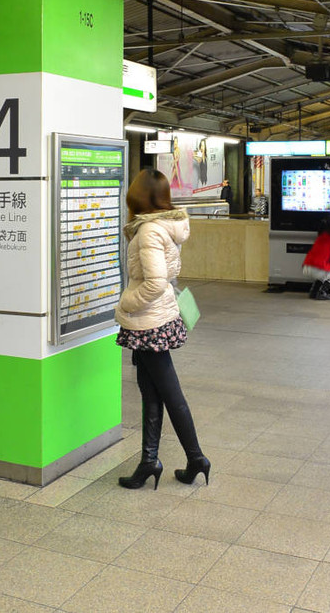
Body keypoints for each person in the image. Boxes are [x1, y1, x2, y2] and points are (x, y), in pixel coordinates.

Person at [115, 169, 210, 490]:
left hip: (149, 321)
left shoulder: (149, 231)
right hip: (155, 318)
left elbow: (155, 282)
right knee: (150, 391)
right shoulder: (164, 226)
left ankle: (196, 457)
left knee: (170, 393)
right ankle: (149, 461)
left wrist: (127, 302)